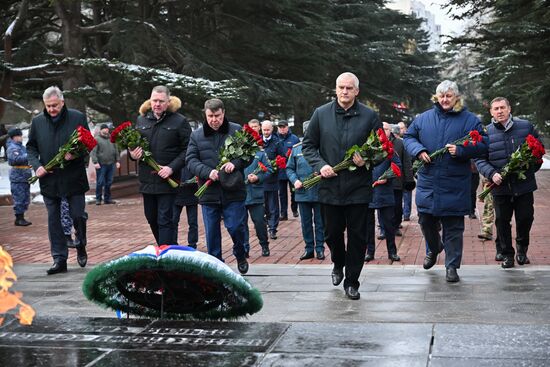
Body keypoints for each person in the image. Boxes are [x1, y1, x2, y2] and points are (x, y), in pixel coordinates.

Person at [302, 72, 382, 300]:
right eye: (341, 87)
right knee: (331, 233)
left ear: (357, 91)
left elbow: (381, 149)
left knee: (358, 236)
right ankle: (338, 261)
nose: (344, 91)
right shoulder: (321, 114)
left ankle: (352, 281)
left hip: (358, 187)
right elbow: (308, 146)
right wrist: (321, 165)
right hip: (330, 186)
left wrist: (367, 159)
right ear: (335, 89)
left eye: (349, 88)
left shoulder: (369, 116)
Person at [404, 80, 487, 282]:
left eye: (448, 96)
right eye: (441, 96)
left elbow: (483, 144)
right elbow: (408, 137)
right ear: (436, 97)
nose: (444, 99)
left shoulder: (469, 120)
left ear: (456, 97)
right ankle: (434, 248)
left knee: (453, 227)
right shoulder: (423, 118)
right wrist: (419, 151)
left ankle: (452, 266)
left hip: (455, 183)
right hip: (429, 182)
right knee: (425, 221)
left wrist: (461, 150)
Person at [26, 86, 90, 275]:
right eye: (48, 106)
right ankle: (59, 259)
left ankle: (80, 243)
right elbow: (31, 147)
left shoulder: (77, 117)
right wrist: (36, 165)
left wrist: (75, 153)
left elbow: (88, 144)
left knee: (77, 215)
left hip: (73, 177)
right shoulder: (37, 122)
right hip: (49, 178)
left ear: (62, 102)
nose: (52, 109)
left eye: (55, 105)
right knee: (54, 219)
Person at [475, 97, 543, 268]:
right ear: (491, 112)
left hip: (524, 186)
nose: (499, 111)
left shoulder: (525, 127)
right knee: (502, 221)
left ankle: (522, 249)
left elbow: (538, 151)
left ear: (509, 109)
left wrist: (527, 170)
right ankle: (507, 255)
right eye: (496, 108)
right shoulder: (487, 132)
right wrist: (492, 174)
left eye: (502, 108)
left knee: (525, 219)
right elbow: (480, 159)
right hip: (500, 187)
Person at [186, 98, 250, 274]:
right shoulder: (196, 135)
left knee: (236, 226)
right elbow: (190, 160)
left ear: (223, 113)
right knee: (212, 232)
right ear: (205, 115)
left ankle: (240, 253)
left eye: (217, 116)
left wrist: (235, 164)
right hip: (209, 192)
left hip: (233, 189)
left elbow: (248, 154)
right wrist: (208, 172)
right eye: (210, 116)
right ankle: (216, 265)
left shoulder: (236, 130)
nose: (214, 120)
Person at [129, 86, 192, 245]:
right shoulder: (141, 120)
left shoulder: (179, 121)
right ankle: (169, 248)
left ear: (168, 102)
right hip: (147, 180)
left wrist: (171, 167)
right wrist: (132, 154)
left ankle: (165, 254)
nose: (157, 104)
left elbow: (188, 150)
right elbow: (133, 145)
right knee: (151, 217)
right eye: (154, 100)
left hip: (168, 180)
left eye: (161, 101)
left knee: (165, 218)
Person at [286, 120, 325, 261]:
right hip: (302, 192)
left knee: (320, 223)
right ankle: (309, 249)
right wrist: (295, 180)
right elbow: (289, 168)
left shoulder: (323, 148)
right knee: (306, 223)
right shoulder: (297, 149)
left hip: (320, 191)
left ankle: (320, 249)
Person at [365, 153, 401, 262]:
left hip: (385, 192)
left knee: (389, 225)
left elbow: (398, 165)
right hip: (368, 191)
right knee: (368, 225)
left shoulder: (388, 150)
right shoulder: (366, 149)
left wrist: (388, 177)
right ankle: (369, 252)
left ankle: (392, 252)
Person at [244, 119, 271, 257]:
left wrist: (258, 178)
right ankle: (244, 248)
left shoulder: (260, 153)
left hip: (255, 194)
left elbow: (269, 169)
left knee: (259, 222)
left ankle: (264, 245)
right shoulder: (237, 154)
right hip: (240, 195)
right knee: (241, 225)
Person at [261, 120, 285, 239]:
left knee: (273, 206)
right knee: (263, 206)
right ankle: (264, 225)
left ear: (272, 129)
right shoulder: (257, 142)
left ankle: (272, 229)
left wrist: (274, 167)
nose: (266, 132)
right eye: (264, 130)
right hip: (259, 180)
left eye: (268, 130)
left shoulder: (277, 142)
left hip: (272, 179)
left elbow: (282, 157)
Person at [7, 128, 32, 226]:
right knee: (19, 197)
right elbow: (16, 159)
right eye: (19, 136)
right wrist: (28, 155)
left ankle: (21, 217)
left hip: (24, 176)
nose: (21, 137)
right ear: (15, 137)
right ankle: (19, 218)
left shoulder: (21, 147)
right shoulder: (12, 148)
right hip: (18, 177)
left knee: (25, 197)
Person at [91, 123, 120, 205]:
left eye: (107, 128)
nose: (106, 130)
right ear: (101, 130)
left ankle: (107, 199)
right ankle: (98, 199)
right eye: (104, 128)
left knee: (109, 182)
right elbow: (93, 152)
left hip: (111, 164)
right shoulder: (96, 139)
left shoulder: (112, 139)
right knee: (100, 182)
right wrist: (95, 162)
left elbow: (116, 150)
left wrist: (117, 161)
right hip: (101, 164)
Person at [276, 120, 300, 220]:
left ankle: (294, 208)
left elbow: (299, 152)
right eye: (280, 127)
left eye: (284, 127)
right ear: (277, 128)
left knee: (294, 191)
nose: (282, 129)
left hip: (292, 170)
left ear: (287, 127)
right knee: (282, 193)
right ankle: (283, 213)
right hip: (280, 170)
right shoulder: (275, 138)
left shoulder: (294, 139)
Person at [173, 165, 199, 248]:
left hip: (191, 192)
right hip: (177, 192)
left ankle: (192, 244)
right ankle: (173, 243)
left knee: (192, 222)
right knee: (173, 221)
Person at [477, 177, 503, 261]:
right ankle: (486, 231)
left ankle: (504, 230)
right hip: (489, 182)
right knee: (488, 207)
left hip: (502, 184)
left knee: (503, 212)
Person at [398, 121, 413, 221]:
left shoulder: (408, 140)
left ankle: (406, 214)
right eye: (399, 128)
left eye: (402, 128)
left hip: (407, 171)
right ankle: (401, 214)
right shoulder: (396, 142)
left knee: (407, 194)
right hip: (398, 174)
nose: (401, 130)